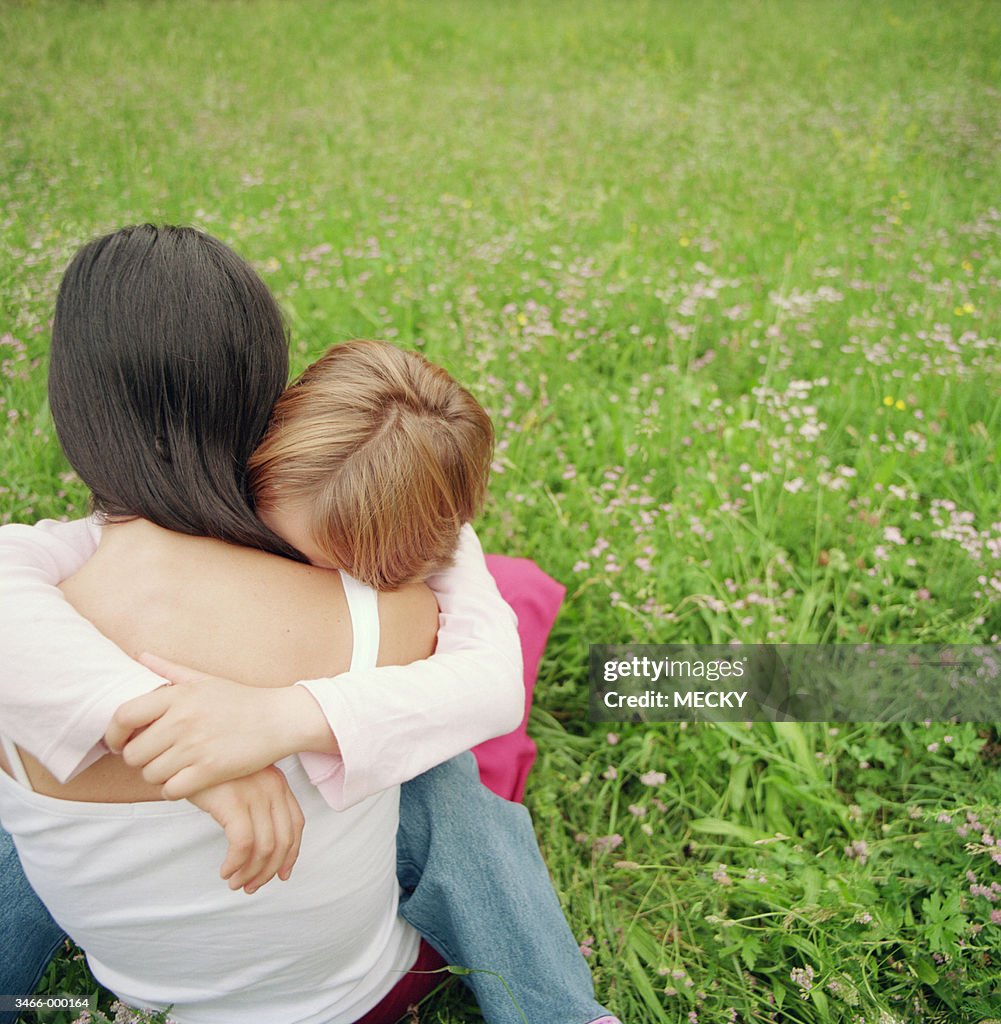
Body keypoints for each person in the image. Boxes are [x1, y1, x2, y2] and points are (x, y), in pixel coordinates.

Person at [0, 225, 619, 1024]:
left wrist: (272, 716)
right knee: (450, 760)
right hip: (355, 983)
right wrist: (164, 725)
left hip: (146, 964)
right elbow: (491, 678)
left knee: (25, 756)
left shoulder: (52, 573)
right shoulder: (391, 608)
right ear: (266, 396)